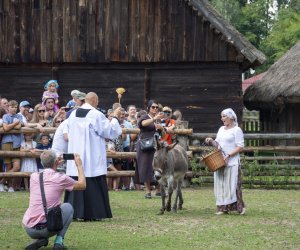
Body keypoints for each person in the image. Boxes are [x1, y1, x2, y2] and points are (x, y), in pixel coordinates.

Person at [64, 92, 122, 221]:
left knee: (76, 178)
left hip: (76, 156)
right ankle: (93, 213)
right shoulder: (96, 115)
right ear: (95, 101)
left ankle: (75, 212)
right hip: (91, 157)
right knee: (92, 180)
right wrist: (116, 118)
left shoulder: (73, 114)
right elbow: (109, 132)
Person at [22, 150, 86, 250]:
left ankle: (41, 240)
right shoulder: (61, 178)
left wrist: (54, 163)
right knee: (67, 207)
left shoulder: (33, 176)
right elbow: (82, 185)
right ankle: (58, 243)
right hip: (49, 227)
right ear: (56, 162)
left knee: (40, 208)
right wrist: (79, 165)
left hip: (29, 229)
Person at [205, 108, 246, 215]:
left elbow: (240, 147)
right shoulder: (221, 129)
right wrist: (211, 140)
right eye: (221, 116)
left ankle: (239, 207)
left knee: (233, 185)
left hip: (232, 162)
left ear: (231, 117)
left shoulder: (237, 130)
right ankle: (223, 208)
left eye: (224, 116)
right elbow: (218, 144)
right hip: (220, 161)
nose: (222, 118)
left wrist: (228, 155)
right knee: (221, 185)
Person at [135, 100, 164, 199]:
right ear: (148, 108)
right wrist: (154, 119)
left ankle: (158, 190)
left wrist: (161, 129)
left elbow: (162, 134)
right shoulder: (145, 117)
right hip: (144, 146)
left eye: (157, 107)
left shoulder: (158, 120)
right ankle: (147, 191)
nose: (155, 109)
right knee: (145, 168)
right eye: (153, 107)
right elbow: (142, 124)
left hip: (156, 146)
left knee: (157, 167)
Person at [0, 100, 23, 192]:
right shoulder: (5, 116)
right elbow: (5, 128)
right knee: (8, 166)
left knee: (16, 167)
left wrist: (11, 126)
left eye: (15, 107)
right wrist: (14, 123)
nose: (13, 109)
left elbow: (19, 127)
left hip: (17, 143)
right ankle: (10, 186)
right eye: (12, 107)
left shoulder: (19, 116)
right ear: (8, 107)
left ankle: (1, 182)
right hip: (6, 142)